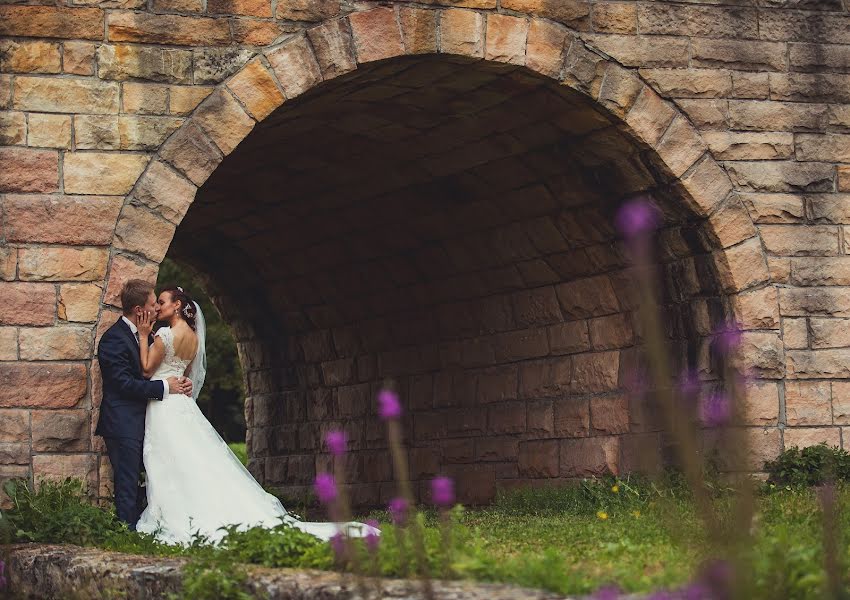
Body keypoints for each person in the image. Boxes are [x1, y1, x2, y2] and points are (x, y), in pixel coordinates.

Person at [134, 285, 377, 545]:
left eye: (162, 301)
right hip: (182, 405)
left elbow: (147, 370)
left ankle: (173, 514)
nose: (158, 307)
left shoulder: (163, 334)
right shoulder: (193, 337)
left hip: (165, 405)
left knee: (169, 460)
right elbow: (187, 373)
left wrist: (143, 333)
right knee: (189, 460)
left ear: (178, 305)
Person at [96, 279, 193, 529]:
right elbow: (123, 384)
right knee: (128, 480)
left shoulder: (148, 334)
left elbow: (158, 364)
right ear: (140, 310)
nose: (157, 308)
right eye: (154, 304)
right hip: (123, 422)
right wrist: (165, 387)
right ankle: (127, 534)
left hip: (151, 419)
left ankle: (156, 524)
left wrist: (181, 383)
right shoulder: (112, 340)